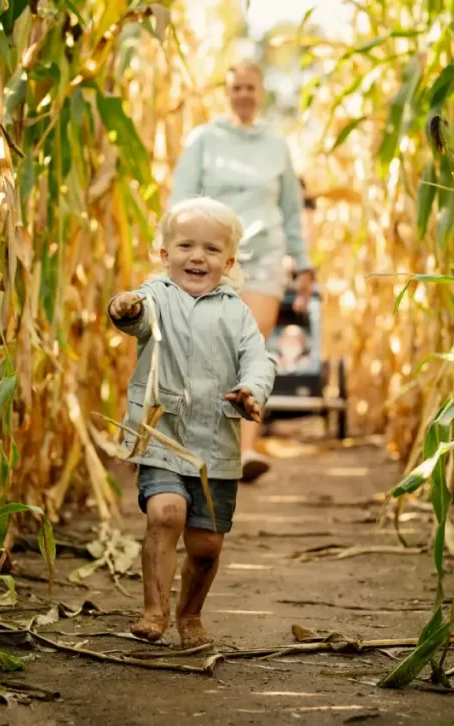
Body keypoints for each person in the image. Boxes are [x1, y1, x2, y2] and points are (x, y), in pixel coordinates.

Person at [107, 196, 276, 648]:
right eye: (184, 246)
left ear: (228, 261)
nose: (197, 257)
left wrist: (250, 391)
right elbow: (134, 316)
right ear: (164, 255)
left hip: (215, 445)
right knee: (166, 512)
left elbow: (259, 360)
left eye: (210, 250)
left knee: (206, 547)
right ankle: (153, 611)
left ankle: (190, 614)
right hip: (162, 433)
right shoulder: (156, 297)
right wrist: (124, 308)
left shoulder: (237, 312)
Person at [167, 59, 314, 483]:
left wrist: (302, 263)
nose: (244, 94)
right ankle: (202, 446)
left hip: (266, 253)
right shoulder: (204, 141)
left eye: (251, 87)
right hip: (212, 255)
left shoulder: (276, 146)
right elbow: (180, 202)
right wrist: (177, 255)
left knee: (251, 344)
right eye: (237, 88)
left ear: (260, 91)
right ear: (227, 92)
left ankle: (245, 451)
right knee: (210, 348)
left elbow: (290, 210)